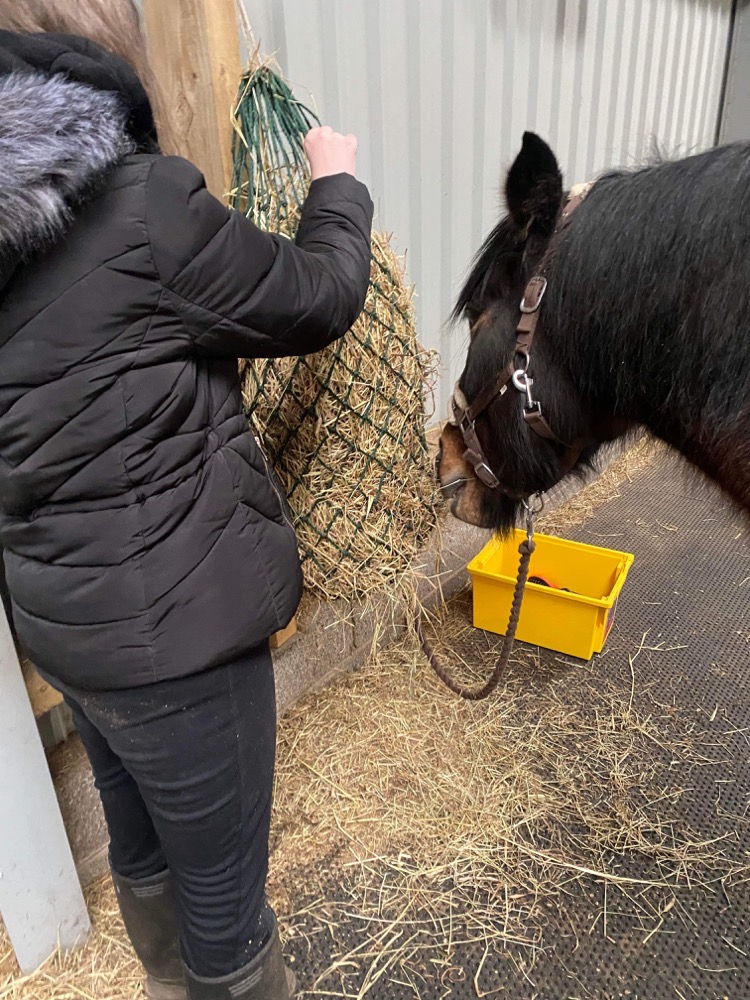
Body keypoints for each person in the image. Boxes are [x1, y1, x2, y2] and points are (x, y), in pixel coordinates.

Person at [0, 3, 373, 999]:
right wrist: (337, 183)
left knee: (144, 852)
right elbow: (318, 295)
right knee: (227, 916)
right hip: (185, 647)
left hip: (71, 637)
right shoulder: (140, 212)